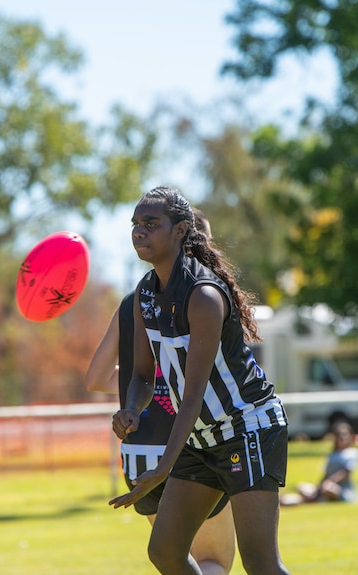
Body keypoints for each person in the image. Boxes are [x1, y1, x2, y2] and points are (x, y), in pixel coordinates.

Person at [110, 185, 290, 575]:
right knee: (165, 552)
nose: (138, 231)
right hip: (202, 436)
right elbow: (142, 374)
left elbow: (193, 393)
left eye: (151, 224)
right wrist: (130, 408)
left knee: (260, 563)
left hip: (249, 429)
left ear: (179, 231)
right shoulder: (145, 293)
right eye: (135, 224)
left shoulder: (203, 294)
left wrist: (163, 466)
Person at [86, 208, 235, 575]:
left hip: (139, 455)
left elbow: (95, 378)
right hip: (194, 449)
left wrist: (143, 390)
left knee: (177, 562)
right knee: (214, 562)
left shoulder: (135, 298)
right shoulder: (205, 296)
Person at [280, 420, 358, 506]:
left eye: (344, 435)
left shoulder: (352, 452)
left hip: (341, 489)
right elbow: (326, 474)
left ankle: (308, 500)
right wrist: (319, 487)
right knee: (302, 487)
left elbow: (345, 472)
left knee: (327, 489)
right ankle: (305, 499)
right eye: (339, 435)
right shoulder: (332, 455)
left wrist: (329, 482)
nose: (342, 438)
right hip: (325, 486)